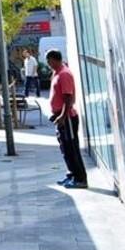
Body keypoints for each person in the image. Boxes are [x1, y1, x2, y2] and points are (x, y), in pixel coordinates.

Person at [47, 50, 88, 189]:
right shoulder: (57, 72)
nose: (48, 64)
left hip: (67, 118)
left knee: (72, 148)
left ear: (54, 59)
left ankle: (80, 178)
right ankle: (72, 174)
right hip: (61, 117)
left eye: (49, 61)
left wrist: (62, 117)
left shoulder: (64, 74)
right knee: (65, 148)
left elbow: (68, 98)